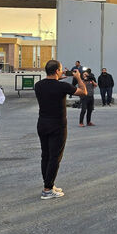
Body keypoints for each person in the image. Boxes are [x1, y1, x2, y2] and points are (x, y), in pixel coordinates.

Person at [34, 60, 87, 200]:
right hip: (57, 125)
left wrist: (58, 77)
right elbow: (83, 92)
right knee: (55, 157)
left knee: (45, 155)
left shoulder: (38, 85)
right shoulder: (62, 86)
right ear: (57, 70)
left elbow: (50, 86)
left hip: (42, 124)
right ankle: (47, 189)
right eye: (61, 69)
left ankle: (49, 184)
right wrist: (78, 78)